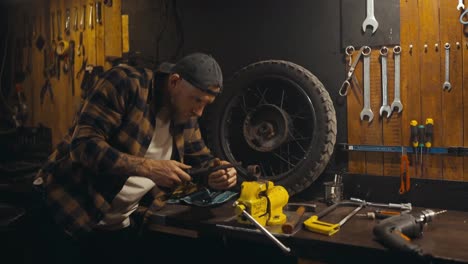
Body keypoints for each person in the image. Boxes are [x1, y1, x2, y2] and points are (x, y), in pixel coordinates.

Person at [31, 52, 237, 264]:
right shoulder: (126, 83)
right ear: (175, 82)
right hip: (66, 213)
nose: (200, 111)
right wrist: (148, 168)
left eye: (206, 104)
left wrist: (217, 172)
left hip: (116, 224)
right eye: (197, 100)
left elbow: (202, 161)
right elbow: (84, 146)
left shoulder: (185, 114)